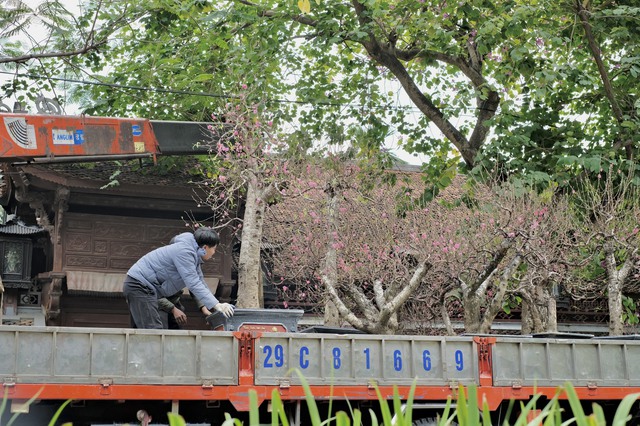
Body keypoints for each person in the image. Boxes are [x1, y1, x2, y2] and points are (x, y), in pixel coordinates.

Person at [123, 227, 234, 329]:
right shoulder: (184, 252)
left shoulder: (192, 254)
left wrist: (212, 306)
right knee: (153, 331)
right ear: (205, 247)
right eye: (214, 248)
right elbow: (193, 283)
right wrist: (217, 304)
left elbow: (200, 281)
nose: (214, 253)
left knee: (142, 332)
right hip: (140, 285)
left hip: (144, 287)